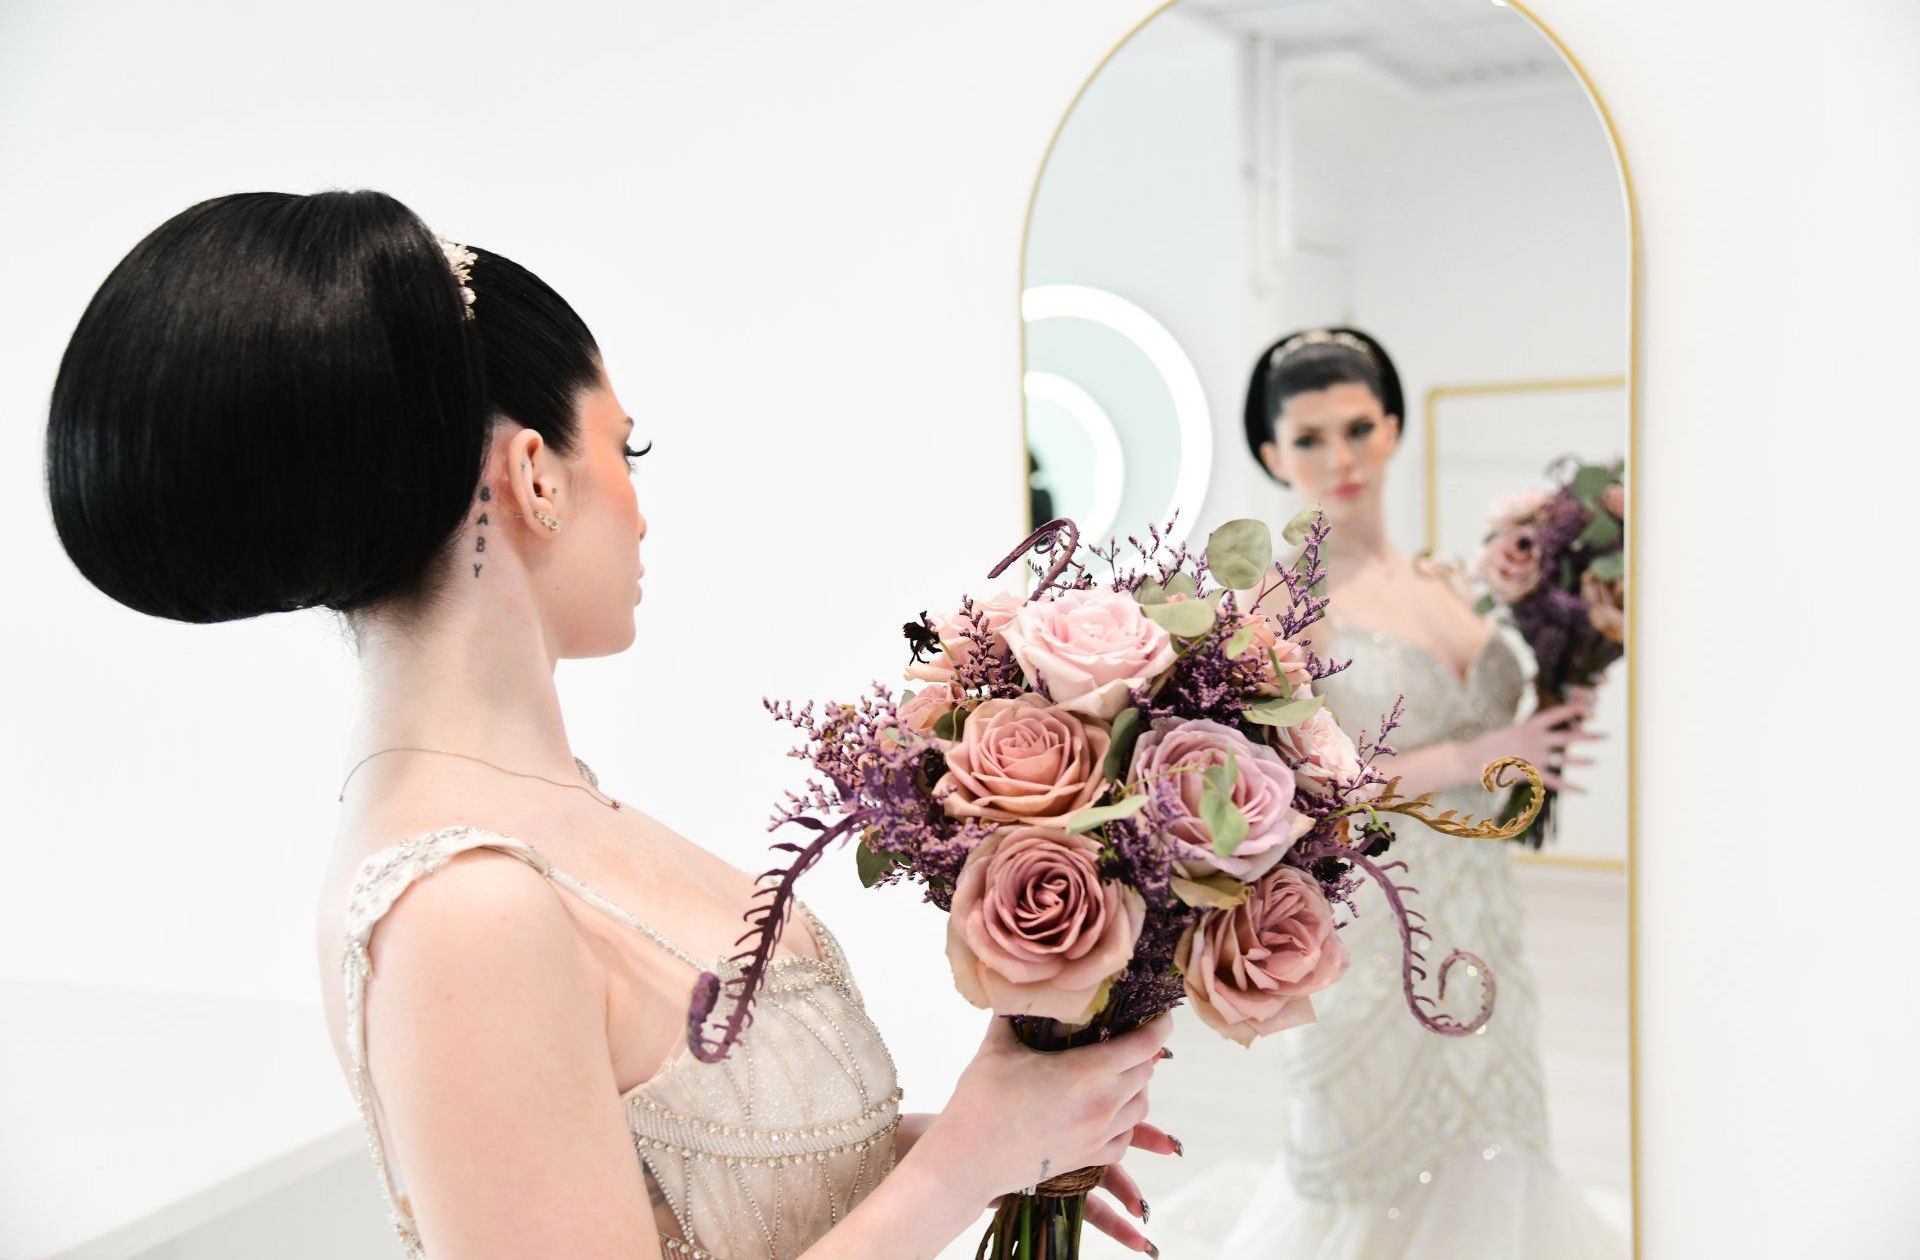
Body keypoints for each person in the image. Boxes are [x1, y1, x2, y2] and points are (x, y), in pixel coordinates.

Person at [41, 189, 1176, 1259]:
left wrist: (996, 1138)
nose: (640, 506)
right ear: (533, 471)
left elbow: (683, 1187)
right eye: (623, 448)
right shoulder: (462, 906)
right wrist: (966, 1163)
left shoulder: (540, 803)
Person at [1092, 328, 1625, 1258]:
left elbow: (1508, 724)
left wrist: (1559, 702)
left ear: (1391, 429)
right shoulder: (1281, 606)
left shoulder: (1452, 582)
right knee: (1362, 1151)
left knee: (1493, 1128)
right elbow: (1300, 784)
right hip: (1369, 918)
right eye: (1308, 439)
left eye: (1357, 428)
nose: (1339, 458)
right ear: (1271, 454)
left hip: (1482, 907)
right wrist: (1477, 755)